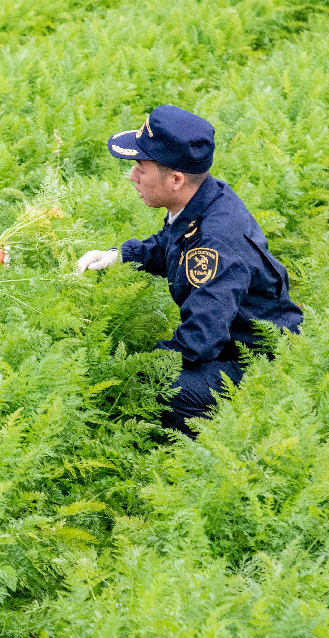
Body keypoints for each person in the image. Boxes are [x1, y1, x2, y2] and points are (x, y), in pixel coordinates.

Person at [75, 105, 303, 436]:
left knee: (167, 387)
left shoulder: (215, 243)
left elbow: (200, 340)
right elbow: (172, 241)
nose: (132, 176)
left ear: (176, 179)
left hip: (260, 360)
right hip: (232, 339)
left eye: (141, 167)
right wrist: (120, 255)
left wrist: (134, 370)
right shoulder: (205, 198)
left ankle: (201, 455)